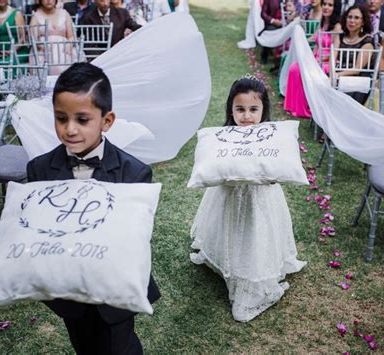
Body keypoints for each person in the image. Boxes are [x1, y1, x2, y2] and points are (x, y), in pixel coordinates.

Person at [27, 62, 160, 354]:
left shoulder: (134, 173)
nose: (70, 129)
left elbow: (135, 240)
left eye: (82, 119)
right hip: (69, 294)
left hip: (114, 295)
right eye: (61, 118)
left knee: (119, 347)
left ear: (107, 120)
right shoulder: (39, 169)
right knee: (83, 344)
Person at [190, 75, 306, 322]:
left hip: (259, 197)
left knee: (255, 231)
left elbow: (277, 166)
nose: (246, 116)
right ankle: (225, 259)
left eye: (253, 109)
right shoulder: (224, 136)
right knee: (230, 225)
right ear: (231, 109)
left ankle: (251, 274)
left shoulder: (272, 138)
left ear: (263, 110)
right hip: (229, 195)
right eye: (240, 109)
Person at [284, 0, 342, 118]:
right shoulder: (322, 22)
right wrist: (300, 40)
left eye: (330, 5)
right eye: (325, 4)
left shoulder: (337, 26)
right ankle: (293, 106)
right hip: (316, 59)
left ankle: (304, 109)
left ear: (335, 8)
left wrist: (316, 60)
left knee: (301, 71)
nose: (326, 7)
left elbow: (335, 52)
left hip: (327, 62)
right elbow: (316, 41)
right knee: (294, 68)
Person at [333, 4, 374, 105]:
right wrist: (332, 74)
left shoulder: (367, 41)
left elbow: (357, 69)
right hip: (338, 75)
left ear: (363, 22)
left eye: (356, 18)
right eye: (350, 17)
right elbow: (332, 60)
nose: (352, 21)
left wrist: (337, 75)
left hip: (357, 79)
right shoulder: (340, 37)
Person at [30, 0, 76, 75]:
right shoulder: (36, 16)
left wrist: (69, 45)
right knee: (51, 60)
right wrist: (42, 46)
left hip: (64, 48)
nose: (48, 1)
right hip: (44, 50)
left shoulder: (64, 13)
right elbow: (33, 39)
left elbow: (71, 36)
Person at [260, 0, 283, 65]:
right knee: (270, 31)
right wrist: (273, 21)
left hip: (286, 23)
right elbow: (263, 14)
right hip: (272, 24)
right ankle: (264, 55)